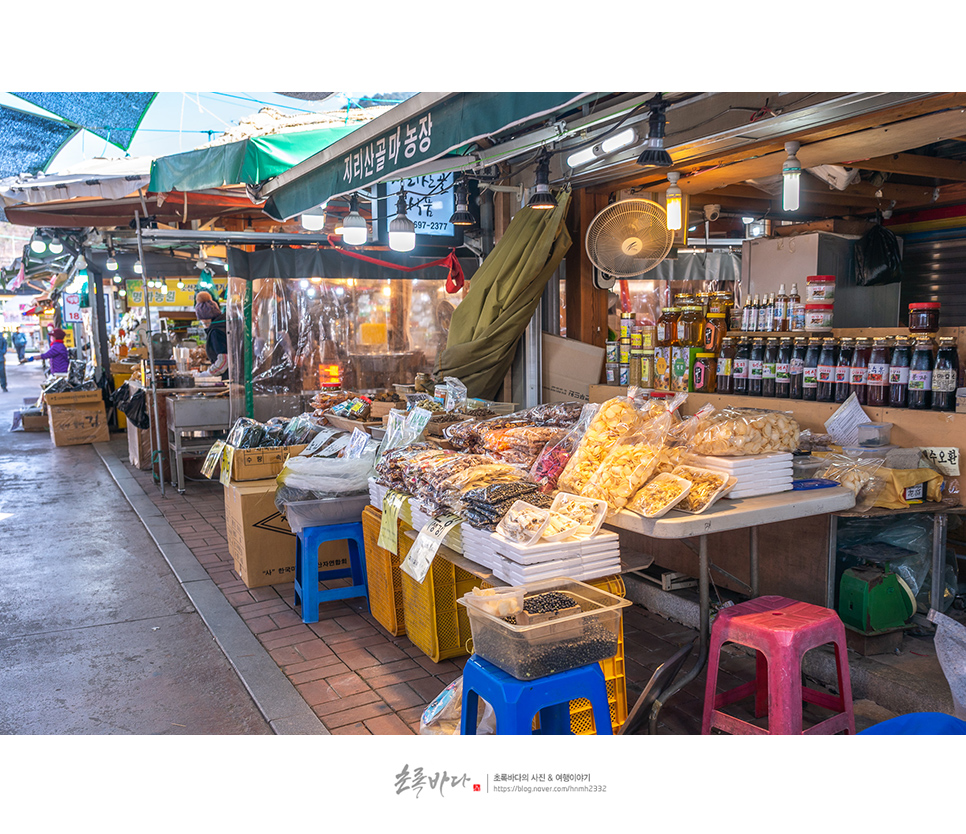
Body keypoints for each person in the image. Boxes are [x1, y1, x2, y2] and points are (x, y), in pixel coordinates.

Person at [195, 291, 229, 379]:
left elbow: (224, 360)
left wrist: (207, 374)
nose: (204, 325)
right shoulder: (224, 324)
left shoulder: (216, 331)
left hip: (229, 377)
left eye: (204, 322)